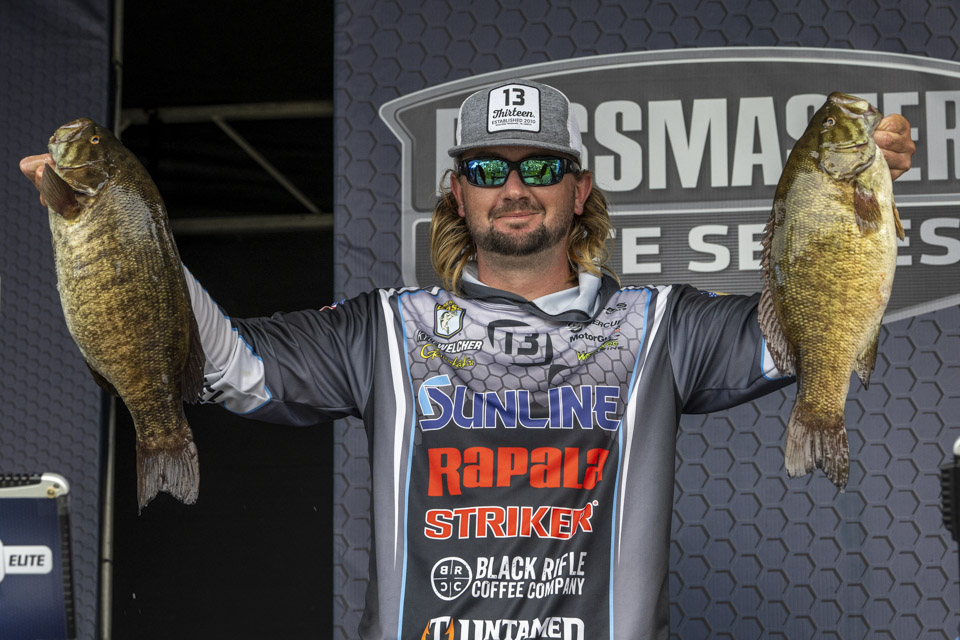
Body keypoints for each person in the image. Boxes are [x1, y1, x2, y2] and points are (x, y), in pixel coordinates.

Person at [21, 79, 915, 639]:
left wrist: (849, 201)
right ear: (456, 191)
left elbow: (800, 334)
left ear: (580, 187)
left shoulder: (658, 326)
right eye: (487, 170)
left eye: (539, 167)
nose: (513, 188)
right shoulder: (384, 328)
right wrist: (116, 229)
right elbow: (230, 367)